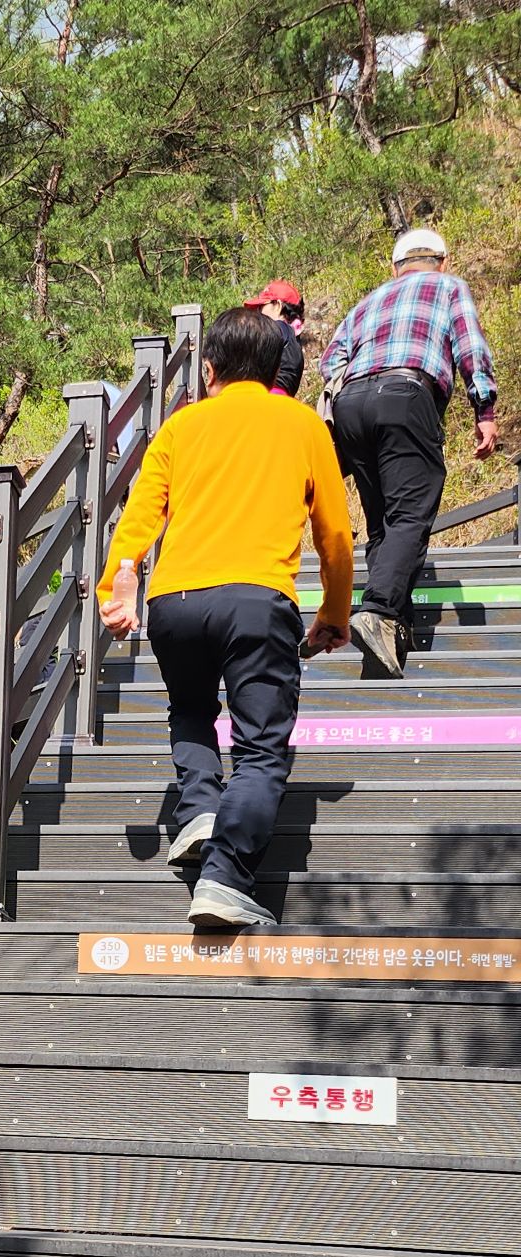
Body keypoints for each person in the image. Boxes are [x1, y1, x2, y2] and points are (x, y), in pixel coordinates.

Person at [98, 307, 354, 932]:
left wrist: (118, 586)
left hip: (175, 601)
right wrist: (334, 610)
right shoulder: (301, 423)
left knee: (190, 708)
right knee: (261, 748)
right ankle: (227, 878)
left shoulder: (180, 426)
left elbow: (138, 519)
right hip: (257, 601)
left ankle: (198, 811)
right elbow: (335, 535)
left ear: (208, 370)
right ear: (275, 369)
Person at [320, 228, 497, 679]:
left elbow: (330, 360)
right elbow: (470, 348)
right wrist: (484, 409)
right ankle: (379, 610)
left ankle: (390, 631)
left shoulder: (367, 302)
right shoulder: (448, 286)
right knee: (411, 513)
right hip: (404, 394)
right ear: (444, 260)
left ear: (394, 267)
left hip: (352, 405)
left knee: (382, 522)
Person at [244, 280, 306, 397]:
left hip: (265, 398)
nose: (258, 312)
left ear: (278, 306)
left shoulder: (279, 328)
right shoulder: (293, 340)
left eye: (261, 306)